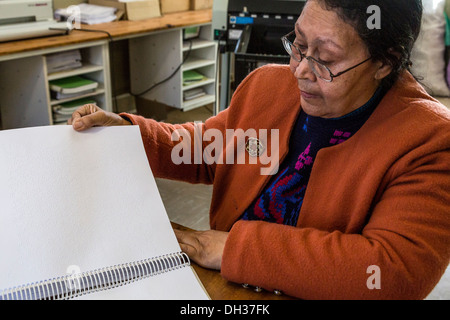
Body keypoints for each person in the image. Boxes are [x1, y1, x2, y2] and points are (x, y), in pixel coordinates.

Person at [69, 0, 450, 299]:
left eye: (326, 59)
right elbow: (209, 148)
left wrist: (229, 248)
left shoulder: (428, 141)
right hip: (225, 285)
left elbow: (389, 274)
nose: (300, 70)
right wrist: (128, 134)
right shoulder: (270, 87)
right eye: (298, 44)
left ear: (385, 62)